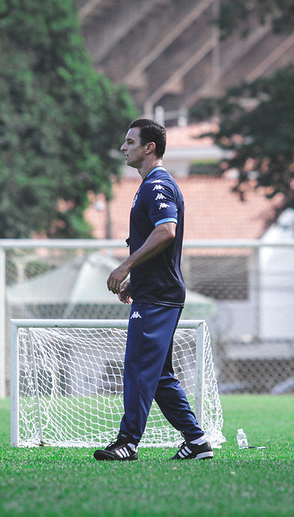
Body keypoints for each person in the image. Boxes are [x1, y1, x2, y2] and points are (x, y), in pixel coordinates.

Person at [94, 119, 213, 461]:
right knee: (159, 374)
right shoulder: (148, 185)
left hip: (159, 296)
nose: (123, 147)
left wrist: (125, 266)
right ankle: (196, 441)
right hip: (155, 291)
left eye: (130, 142)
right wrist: (137, 278)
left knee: (137, 367)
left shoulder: (158, 185)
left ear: (150, 147)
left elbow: (166, 231)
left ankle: (127, 442)